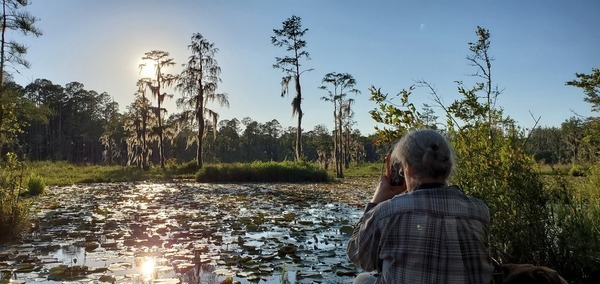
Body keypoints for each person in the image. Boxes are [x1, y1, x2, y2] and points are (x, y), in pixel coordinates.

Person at [347, 129, 494, 284]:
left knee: (362, 279)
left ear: (408, 169)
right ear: (448, 167)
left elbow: (358, 256)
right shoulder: (480, 210)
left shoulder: (387, 212)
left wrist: (375, 202)